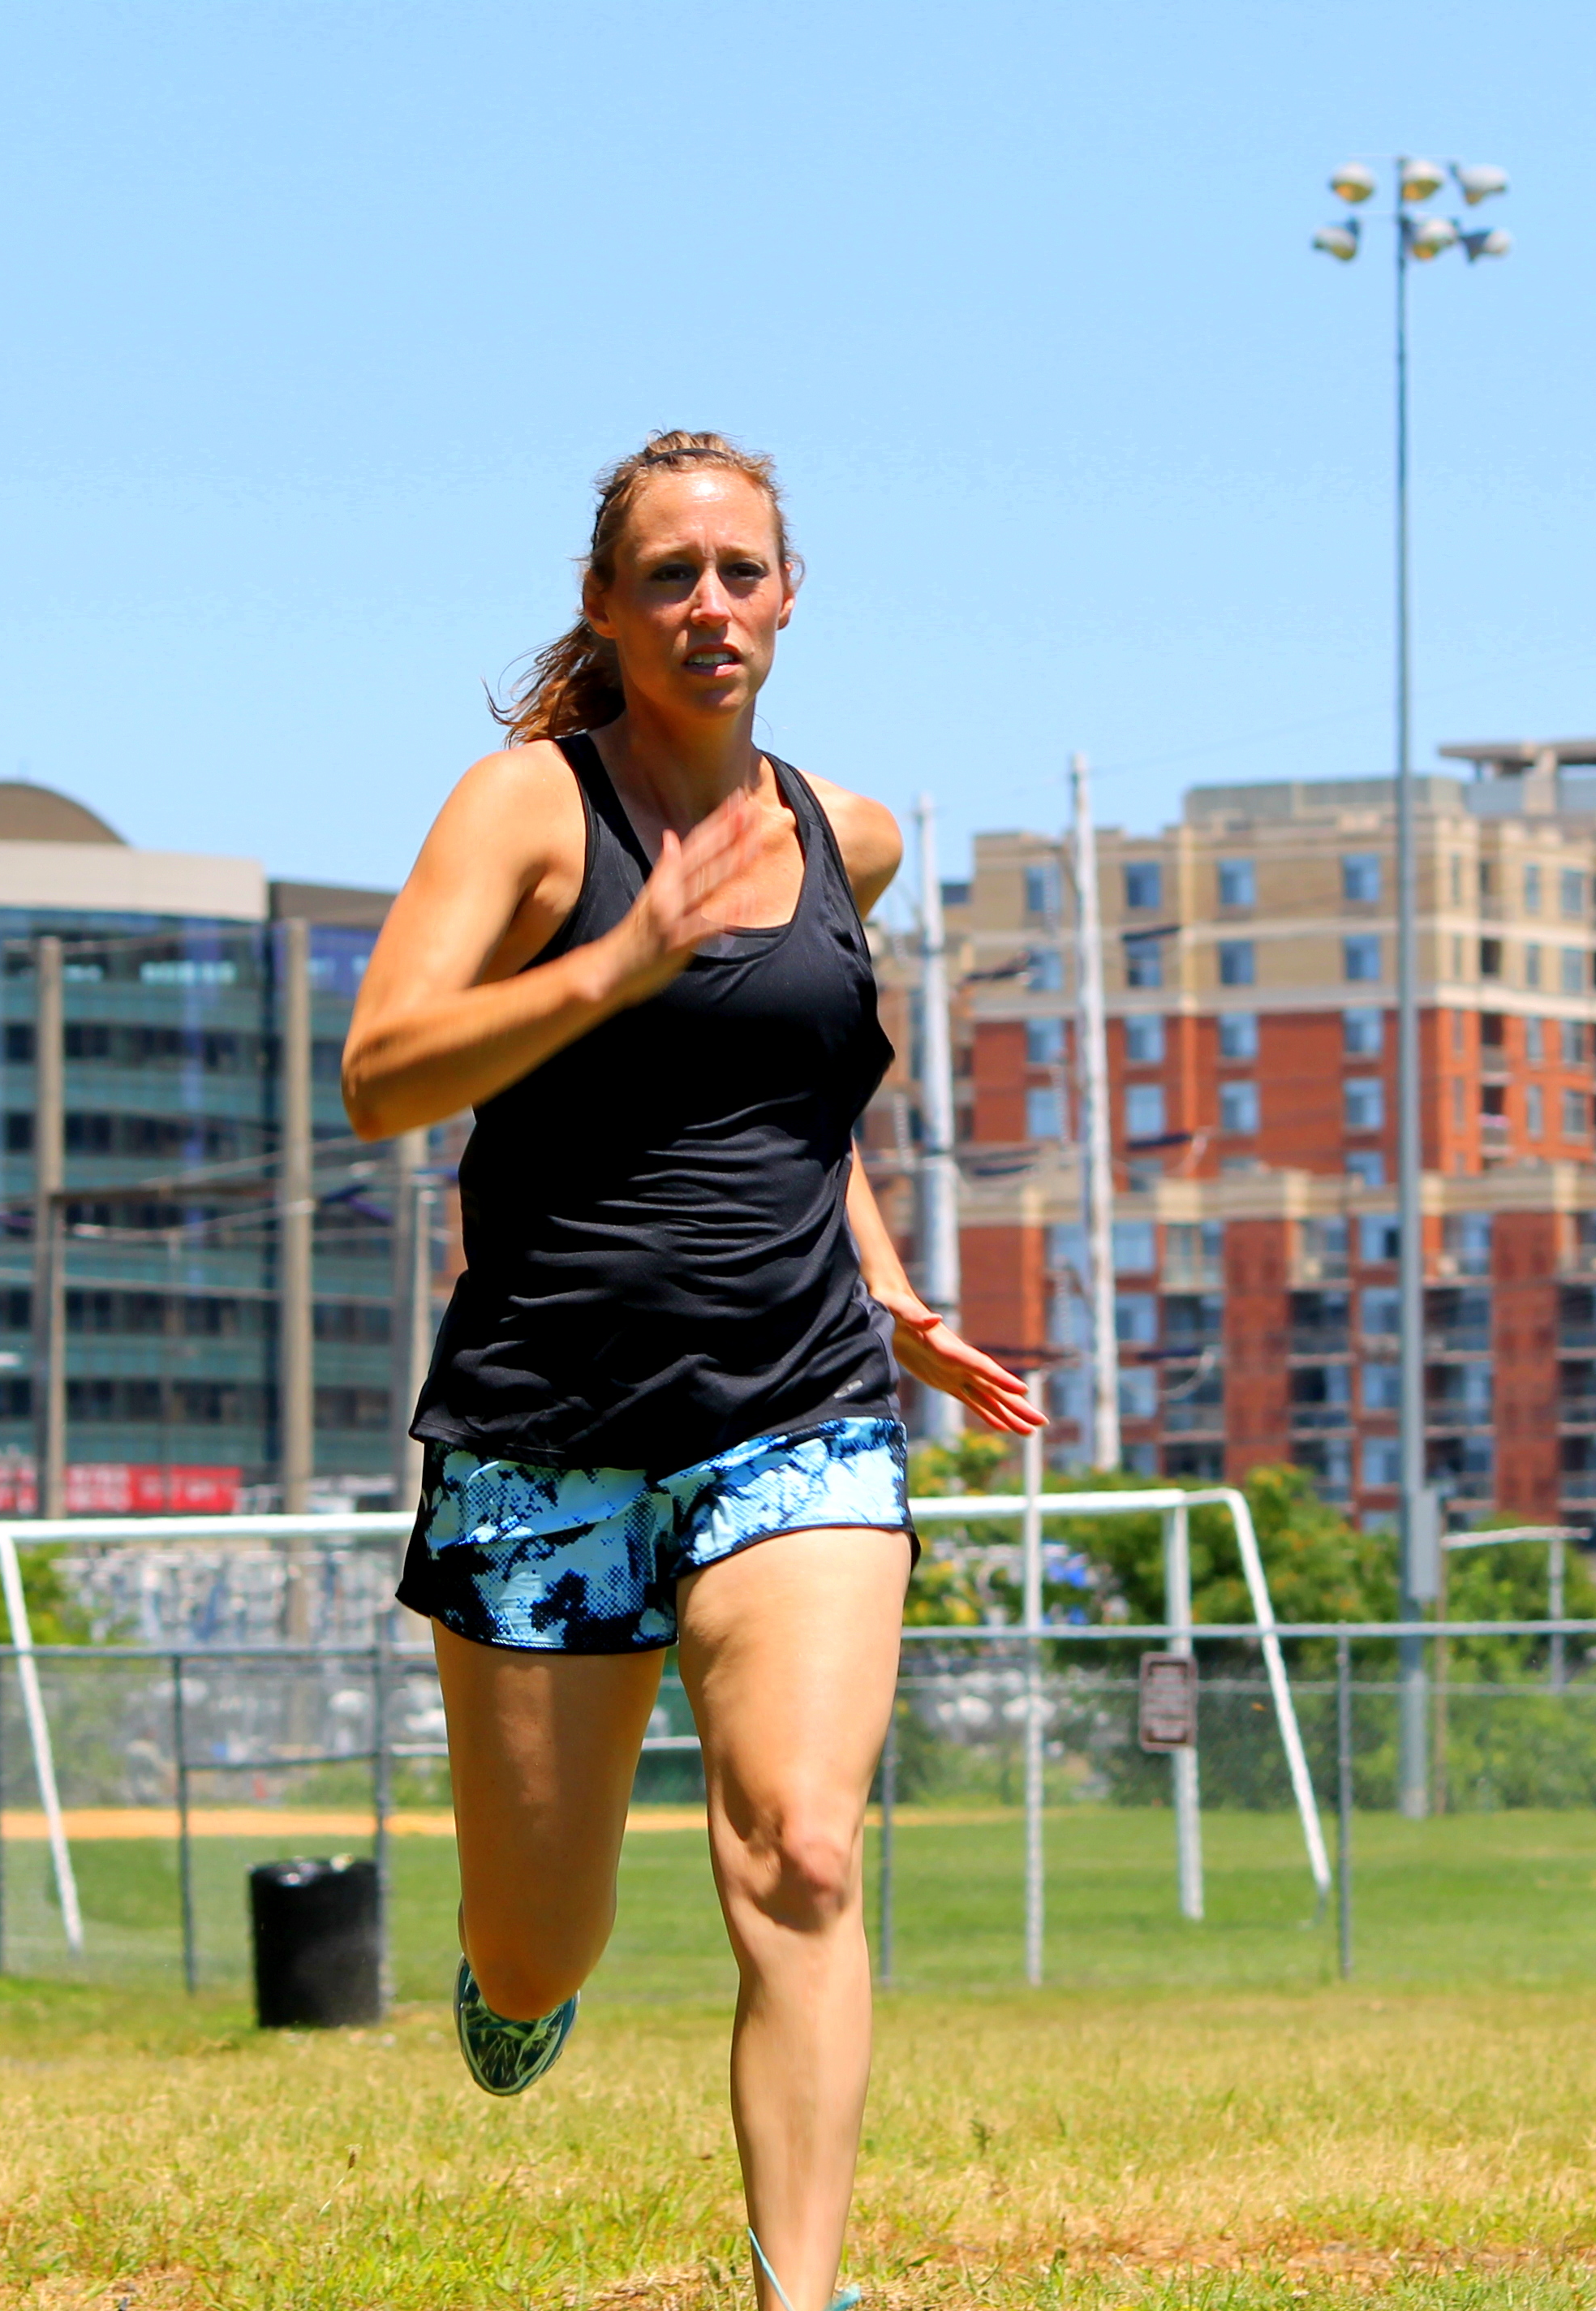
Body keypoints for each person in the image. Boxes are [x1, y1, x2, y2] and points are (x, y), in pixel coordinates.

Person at [341, 430, 1040, 2311]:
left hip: (799, 1410)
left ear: (793, 593)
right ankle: (514, 1989)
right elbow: (383, 1074)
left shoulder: (850, 837)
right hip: (543, 1438)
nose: (710, 603)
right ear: (606, 603)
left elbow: (801, 1113)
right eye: (670, 573)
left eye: (741, 569)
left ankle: (797, 2295)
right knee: (539, 1932)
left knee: (808, 1847)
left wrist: (892, 1295)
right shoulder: (530, 814)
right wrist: (623, 954)